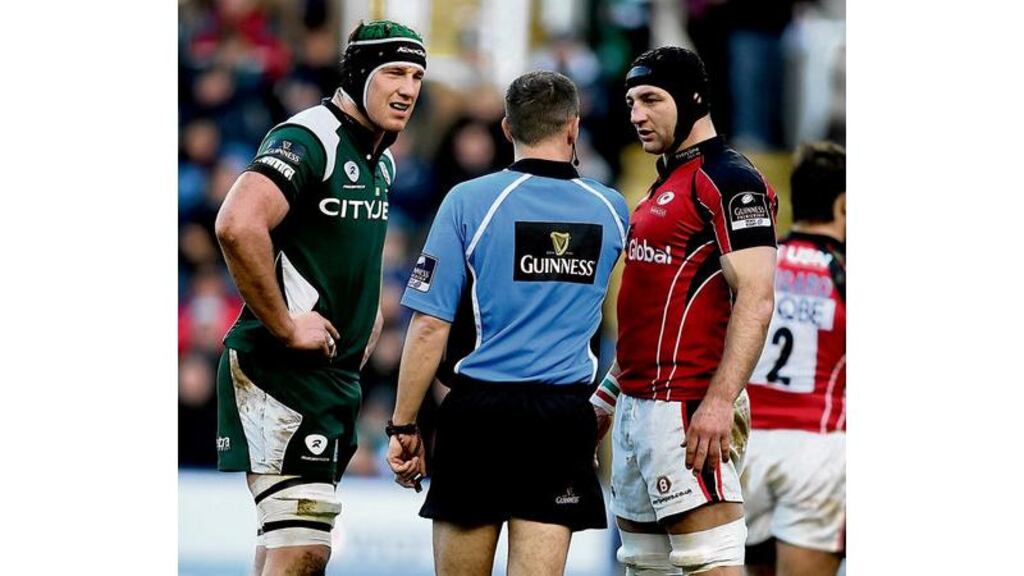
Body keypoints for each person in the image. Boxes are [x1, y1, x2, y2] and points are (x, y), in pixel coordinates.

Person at [386, 71, 629, 576]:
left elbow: (430, 325)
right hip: (562, 419)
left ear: (506, 128)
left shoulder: (469, 201)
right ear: (573, 128)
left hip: (480, 416)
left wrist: (404, 423)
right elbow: (635, 320)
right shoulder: (612, 208)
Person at [212, 20, 426, 576]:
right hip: (282, 372)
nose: (408, 88)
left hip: (331, 378)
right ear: (358, 75)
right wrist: (285, 325)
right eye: (395, 73)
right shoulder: (308, 137)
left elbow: (353, 249)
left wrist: (370, 312)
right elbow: (237, 224)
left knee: (287, 543)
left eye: (417, 76)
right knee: (304, 548)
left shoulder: (382, 159)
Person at [590, 47, 778, 575]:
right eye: (630, 102)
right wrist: (609, 396)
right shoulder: (664, 182)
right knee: (644, 566)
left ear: (693, 100)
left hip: (689, 407)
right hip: (637, 408)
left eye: (651, 99)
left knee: (709, 563)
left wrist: (719, 401)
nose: (636, 115)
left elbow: (757, 299)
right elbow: (649, 317)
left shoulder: (731, 180)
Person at [741, 142, 846, 576]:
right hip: (817, 450)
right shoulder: (844, 271)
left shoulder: (755, 266)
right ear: (844, 204)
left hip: (742, 449)